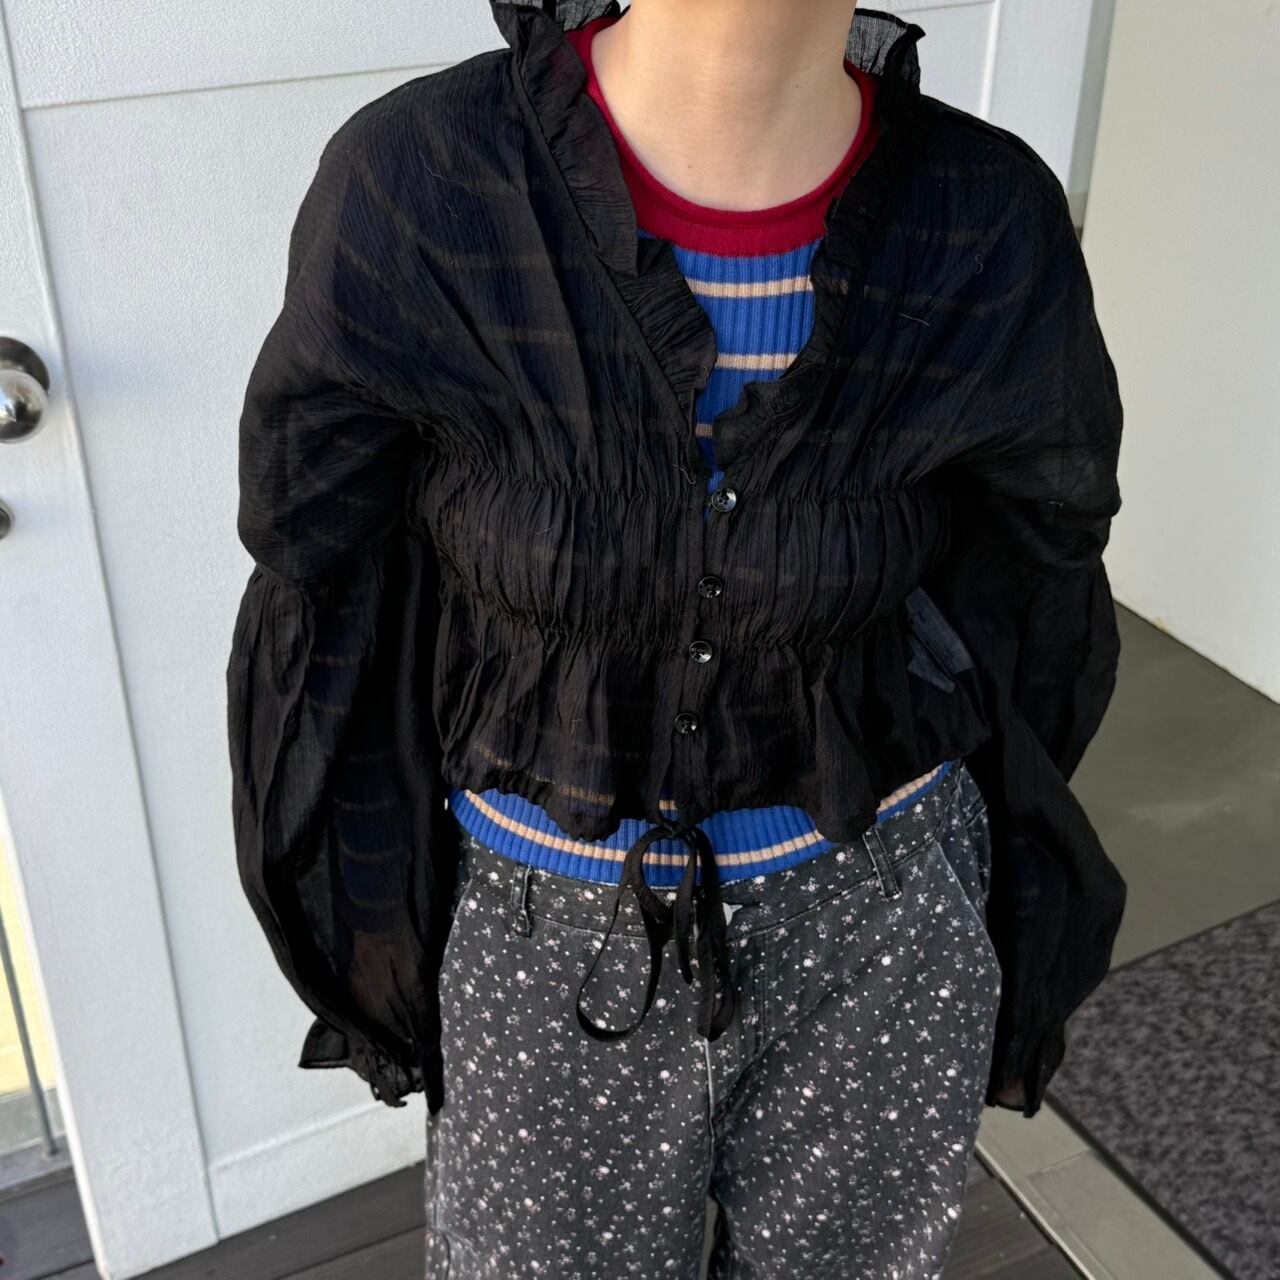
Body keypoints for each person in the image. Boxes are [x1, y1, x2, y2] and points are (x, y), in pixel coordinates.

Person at [227, 1, 1126, 1276]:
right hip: (544, 945)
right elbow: (319, 559)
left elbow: (1037, 575)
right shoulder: (425, 182)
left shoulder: (983, 216)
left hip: (881, 930)